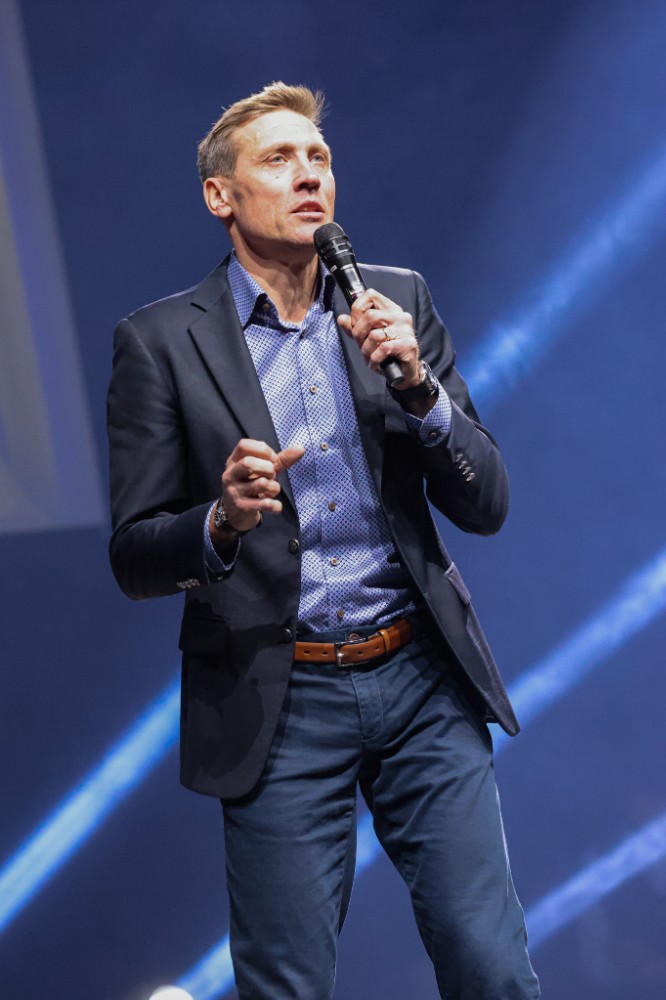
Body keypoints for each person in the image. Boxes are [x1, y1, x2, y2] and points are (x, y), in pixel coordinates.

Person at [107, 82, 540, 999]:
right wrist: (221, 518)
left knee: (491, 963)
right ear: (220, 196)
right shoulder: (160, 342)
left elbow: (487, 503)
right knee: (288, 984)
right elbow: (135, 557)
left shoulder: (395, 300)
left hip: (419, 677)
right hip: (280, 691)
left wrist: (422, 394)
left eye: (320, 158)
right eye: (279, 160)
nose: (310, 176)